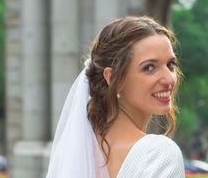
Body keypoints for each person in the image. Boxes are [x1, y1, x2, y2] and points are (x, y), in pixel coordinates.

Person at [45, 16, 185, 178]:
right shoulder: (159, 154)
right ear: (113, 79)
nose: (169, 79)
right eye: (149, 68)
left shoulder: (75, 153)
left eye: (170, 65)